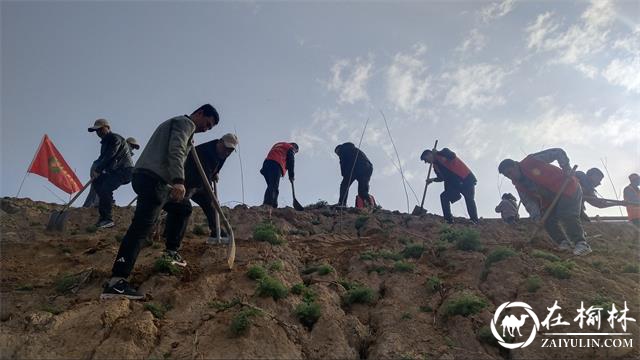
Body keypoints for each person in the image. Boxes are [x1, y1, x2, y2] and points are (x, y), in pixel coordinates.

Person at [101, 104, 219, 300]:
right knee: (141, 228)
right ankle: (117, 281)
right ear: (199, 113)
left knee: (183, 208)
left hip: (154, 180)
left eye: (209, 129)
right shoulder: (185, 123)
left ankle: (171, 252)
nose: (206, 129)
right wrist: (179, 181)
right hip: (153, 179)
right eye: (206, 124)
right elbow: (177, 149)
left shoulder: (177, 123)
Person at [498, 148, 591, 256]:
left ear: (515, 165)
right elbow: (529, 203)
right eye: (507, 176)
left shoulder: (531, 161)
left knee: (566, 214)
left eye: (510, 172)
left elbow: (558, 152)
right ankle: (563, 243)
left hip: (567, 187)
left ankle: (581, 244)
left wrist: (566, 168)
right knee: (547, 220)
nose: (511, 176)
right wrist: (537, 218)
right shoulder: (519, 185)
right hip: (551, 200)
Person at [163, 133, 238, 249]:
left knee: (210, 206)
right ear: (220, 142)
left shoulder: (223, 153)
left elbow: (218, 165)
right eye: (226, 148)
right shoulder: (205, 151)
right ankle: (168, 233)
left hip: (201, 183)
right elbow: (205, 175)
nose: (227, 152)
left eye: (230, 151)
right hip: (188, 180)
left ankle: (216, 231)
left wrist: (216, 172)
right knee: (180, 204)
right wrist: (212, 194)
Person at [87, 119, 134, 229]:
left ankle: (107, 219)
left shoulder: (114, 138)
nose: (98, 133)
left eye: (100, 129)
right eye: (96, 131)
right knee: (98, 182)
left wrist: (98, 169)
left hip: (125, 171)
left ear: (107, 127)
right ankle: (106, 205)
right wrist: (98, 171)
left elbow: (111, 155)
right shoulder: (104, 143)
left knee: (105, 188)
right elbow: (103, 158)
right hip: (114, 171)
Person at [420, 148, 478, 224]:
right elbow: (441, 178)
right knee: (444, 196)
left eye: (425, 159)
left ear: (429, 154)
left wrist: (438, 152)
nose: (426, 162)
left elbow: (452, 155)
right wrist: (432, 180)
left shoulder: (443, 152)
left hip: (466, 178)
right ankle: (448, 220)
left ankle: (474, 220)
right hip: (455, 184)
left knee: (469, 199)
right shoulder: (435, 167)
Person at [83, 137, 140, 209]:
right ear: (127, 143)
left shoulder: (125, 152)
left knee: (95, 189)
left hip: (100, 166)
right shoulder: (122, 148)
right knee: (102, 186)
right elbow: (113, 158)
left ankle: (86, 206)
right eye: (132, 145)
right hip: (100, 167)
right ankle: (98, 203)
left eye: (134, 147)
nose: (132, 148)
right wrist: (105, 169)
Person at [335, 142, 373, 207]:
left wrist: (345, 175)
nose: (338, 154)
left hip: (355, 168)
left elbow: (343, 166)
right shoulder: (353, 149)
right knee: (362, 191)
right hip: (368, 168)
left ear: (338, 149)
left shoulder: (342, 151)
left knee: (344, 185)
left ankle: (342, 203)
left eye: (336, 153)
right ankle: (370, 206)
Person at [260, 142, 298, 208]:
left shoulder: (280, 144)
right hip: (276, 164)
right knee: (274, 186)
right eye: (295, 152)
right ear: (294, 147)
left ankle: (270, 204)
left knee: (271, 186)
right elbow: (291, 161)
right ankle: (269, 205)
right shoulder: (290, 147)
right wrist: (291, 175)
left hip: (266, 165)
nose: (294, 153)